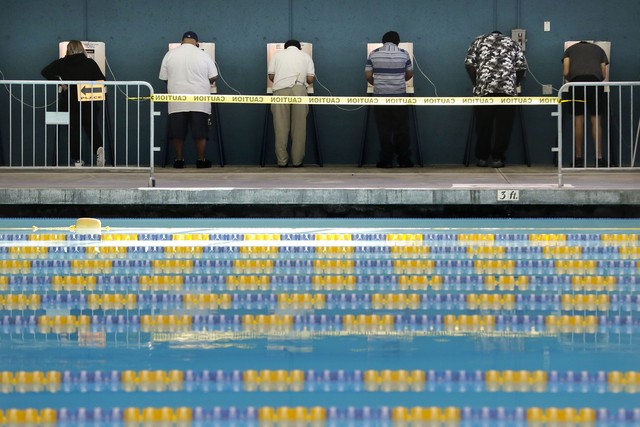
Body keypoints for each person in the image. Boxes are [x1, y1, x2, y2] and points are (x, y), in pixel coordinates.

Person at [465, 31, 527, 168]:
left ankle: (482, 158)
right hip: (507, 92)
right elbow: (521, 67)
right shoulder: (513, 43)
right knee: (504, 126)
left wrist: (477, 84)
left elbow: (469, 64)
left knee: (483, 125)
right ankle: (497, 158)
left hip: (484, 90)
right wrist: (514, 84)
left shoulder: (478, 41)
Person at [41, 40, 106, 167]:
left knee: (73, 130)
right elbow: (101, 79)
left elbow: (45, 72)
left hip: (69, 101)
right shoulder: (89, 62)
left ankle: (77, 160)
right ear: (82, 48)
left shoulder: (61, 63)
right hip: (88, 99)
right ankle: (99, 152)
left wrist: (59, 81)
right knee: (92, 128)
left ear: (68, 49)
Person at [159, 31, 218, 168]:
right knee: (200, 132)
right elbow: (213, 77)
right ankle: (201, 161)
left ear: (181, 41)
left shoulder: (170, 54)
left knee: (177, 132)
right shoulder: (204, 55)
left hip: (177, 99)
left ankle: (179, 160)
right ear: (197, 43)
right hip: (200, 99)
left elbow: (164, 78)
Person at [365, 31, 414, 168]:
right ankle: (404, 160)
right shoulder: (404, 53)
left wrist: (378, 84)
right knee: (402, 129)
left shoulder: (373, 54)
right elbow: (409, 73)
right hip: (399, 97)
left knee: (384, 130)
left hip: (380, 98)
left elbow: (368, 75)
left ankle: (386, 161)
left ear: (383, 41)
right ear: (398, 42)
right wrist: (399, 81)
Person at [268, 40, 315, 168]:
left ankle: (282, 161)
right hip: (299, 90)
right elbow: (310, 79)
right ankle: (297, 161)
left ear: (285, 47)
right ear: (299, 48)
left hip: (280, 90)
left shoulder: (277, 56)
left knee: (280, 127)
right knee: (299, 128)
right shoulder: (306, 56)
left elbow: (271, 76)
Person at [562, 41, 609, 167]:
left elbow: (566, 72)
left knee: (578, 120)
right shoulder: (599, 50)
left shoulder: (569, 50)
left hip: (576, 84)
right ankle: (599, 159)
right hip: (594, 84)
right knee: (596, 120)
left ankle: (578, 159)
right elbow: (604, 74)